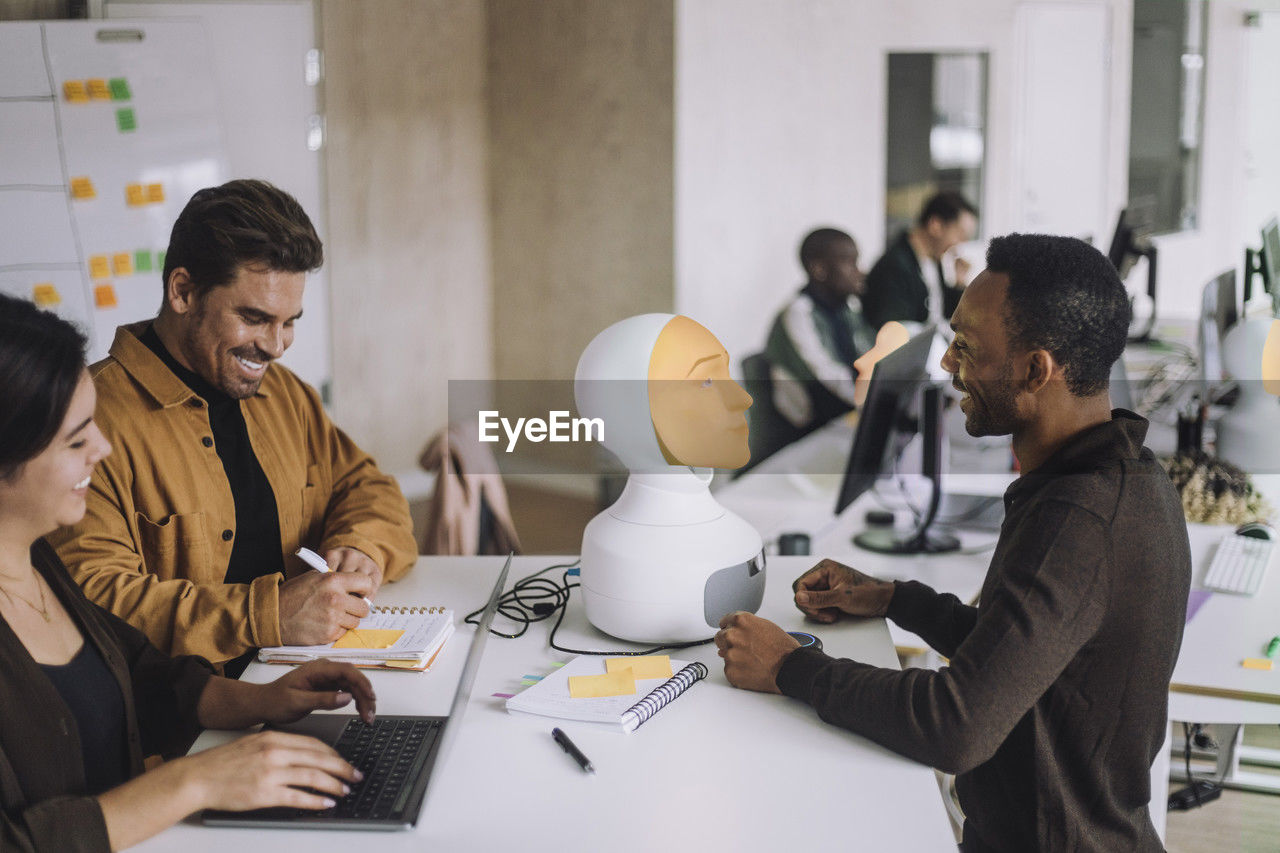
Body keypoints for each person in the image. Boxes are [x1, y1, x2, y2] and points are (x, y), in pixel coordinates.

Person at [716, 234, 1191, 852]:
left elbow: (954, 724)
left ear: (1035, 369)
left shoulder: (1077, 522)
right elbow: (1020, 655)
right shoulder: (1119, 478)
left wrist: (788, 666)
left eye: (965, 348)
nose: (946, 366)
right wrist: (894, 598)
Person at [0, 291, 377, 851]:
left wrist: (263, 700)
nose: (102, 448)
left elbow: (139, 678)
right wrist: (196, 780)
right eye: (76, 439)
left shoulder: (39, 562)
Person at [48, 180, 418, 674]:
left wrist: (360, 545)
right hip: (181, 728)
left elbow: (366, 485)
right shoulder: (85, 418)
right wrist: (265, 616)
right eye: (254, 317)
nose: (277, 345)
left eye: (289, 322)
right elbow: (92, 600)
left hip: (306, 675)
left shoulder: (285, 394)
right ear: (183, 291)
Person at [759, 227, 876, 438]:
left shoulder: (847, 307)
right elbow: (829, 376)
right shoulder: (798, 312)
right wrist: (875, 401)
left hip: (845, 414)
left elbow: (869, 353)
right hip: (809, 428)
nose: (860, 271)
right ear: (819, 270)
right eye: (850, 263)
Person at [861, 190, 978, 330]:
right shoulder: (894, 265)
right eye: (960, 235)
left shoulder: (933, 262)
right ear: (936, 226)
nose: (960, 244)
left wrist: (959, 284)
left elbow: (944, 316)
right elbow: (895, 328)